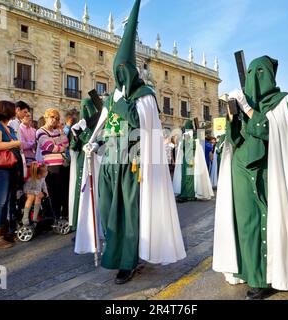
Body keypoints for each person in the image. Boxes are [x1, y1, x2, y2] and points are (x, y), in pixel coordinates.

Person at [77, 0, 186, 285]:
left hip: (133, 163)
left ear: (132, 71)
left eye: (123, 70)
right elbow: (103, 123)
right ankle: (114, 255)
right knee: (108, 212)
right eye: (116, 71)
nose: (119, 76)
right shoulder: (113, 97)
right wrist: (93, 143)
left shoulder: (145, 96)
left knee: (129, 213)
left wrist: (128, 109)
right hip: (110, 162)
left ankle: (129, 260)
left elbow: (146, 130)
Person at [213, 56, 288, 299]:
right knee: (247, 225)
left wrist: (249, 110)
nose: (254, 75)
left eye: (259, 71)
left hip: (271, 172)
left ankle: (269, 277)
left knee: (271, 224)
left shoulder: (284, 101)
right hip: (241, 171)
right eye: (250, 71)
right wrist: (233, 117)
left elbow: (273, 131)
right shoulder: (245, 103)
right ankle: (251, 272)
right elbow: (235, 140)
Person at [0, 101, 22, 248]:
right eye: (13, 109)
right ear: (7, 110)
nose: (16, 110)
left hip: (7, 167)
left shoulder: (6, 126)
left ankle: (2, 231)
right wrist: (16, 143)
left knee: (5, 201)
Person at [69, 97, 100, 232]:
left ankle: (92, 225)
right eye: (83, 108)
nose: (85, 111)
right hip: (82, 162)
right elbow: (74, 147)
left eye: (87, 108)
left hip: (95, 162)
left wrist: (85, 131)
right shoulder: (80, 124)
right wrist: (75, 135)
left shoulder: (100, 125)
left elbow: (95, 142)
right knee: (79, 194)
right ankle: (77, 224)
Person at [36, 108, 69, 219]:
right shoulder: (41, 131)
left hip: (62, 165)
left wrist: (61, 132)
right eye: (52, 117)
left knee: (62, 192)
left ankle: (63, 216)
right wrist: (61, 148)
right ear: (46, 117)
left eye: (57, 118)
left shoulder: (56, 132)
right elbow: (49, 147)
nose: (55, 119)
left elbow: (66, 143)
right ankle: (54, 218)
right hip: (51, 166)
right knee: (54, 192)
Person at [173, 119, 214, 202]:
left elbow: (183, 147)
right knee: (187, 177)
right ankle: (187, 194)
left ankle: (188, 195)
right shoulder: (190, 136)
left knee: (188, 177)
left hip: (188, 159)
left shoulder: (188, 137)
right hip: (189, 159)